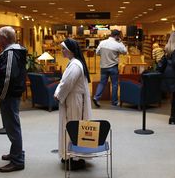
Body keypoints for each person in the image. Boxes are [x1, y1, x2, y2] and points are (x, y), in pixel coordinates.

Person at [0, 26, 27, 173]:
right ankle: (15, 153)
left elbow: (8, 77)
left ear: (5, 38)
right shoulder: (11, 51)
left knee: (12, 127)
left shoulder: (11, 53)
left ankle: (17, 161)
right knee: (11, 126)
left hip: (9, 96)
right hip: (10, 95)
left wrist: (3, 94)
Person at [54, 38, 92, 170]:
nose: (62, 51)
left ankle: (75, 157)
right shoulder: (73, 63)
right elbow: (64, 82)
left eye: (64, 48)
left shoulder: (75, 65)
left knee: (73, 127)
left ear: (70, 50)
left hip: (74, 100)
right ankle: (70, 155)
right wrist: (59, 92)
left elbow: (66, 84)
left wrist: (58, 94)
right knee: (71, 126)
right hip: (72, 98)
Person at [93, 29, 127, 107]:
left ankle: (96, 97)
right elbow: (125, 52)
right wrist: (120, 42)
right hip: (113, 67)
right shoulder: (117, 44)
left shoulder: (102, 43)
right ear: (117, 36)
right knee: (114, 84)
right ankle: (114, 102)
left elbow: (97, 53)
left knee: (102, 83)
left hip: (103, 67)